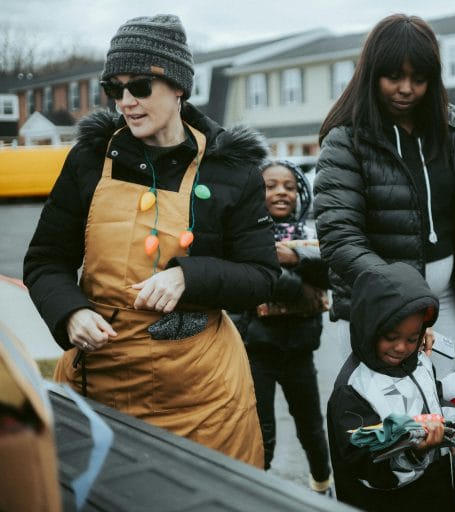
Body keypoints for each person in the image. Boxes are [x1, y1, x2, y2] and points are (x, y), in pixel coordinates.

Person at [22, 14, 280, 467]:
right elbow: (45, 261)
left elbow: (260, 277)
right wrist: (70, 312)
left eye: (141, 86)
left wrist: (189, 277)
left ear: (178, 86)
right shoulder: (88, 158)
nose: (126, 101)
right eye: (115, 88)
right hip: (100, 385)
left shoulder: (231, 168)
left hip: (204, 400)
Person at [313, 14, 455, 378]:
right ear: (372, 74)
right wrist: (400, 300)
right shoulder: (347, 141)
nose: (406, 88)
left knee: (435, 414)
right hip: (378, 312)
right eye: (394, 76)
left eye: (419, 78)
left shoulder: (452, 133)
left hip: (443, 304)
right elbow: (339, 237)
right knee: (385, 425)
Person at [327, 261, 455, 511]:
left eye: (412, 338)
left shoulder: (419, 362)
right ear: (369, 327)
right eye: (391, 337)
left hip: (431, 491)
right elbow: (364, 464)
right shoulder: (353, 389)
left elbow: (434, 399)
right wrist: (416, 452)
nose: (401, 348)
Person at [230, 159, 332, 494]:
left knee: (312, 429)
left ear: (300, 192)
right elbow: (259, 283)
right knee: (262, 431)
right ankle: (260, 492)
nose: (280, 192)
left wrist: (296, 259)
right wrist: (303, 289)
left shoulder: (310, 236)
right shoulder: (247, 235)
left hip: (301, 351)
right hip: (258, 350)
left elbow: (331, 273)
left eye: (289, 186)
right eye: (270, 185)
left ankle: (322, 487)